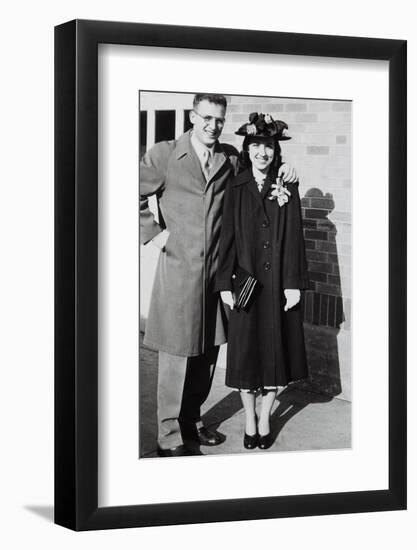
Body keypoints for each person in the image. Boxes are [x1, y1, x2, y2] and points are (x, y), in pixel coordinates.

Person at [140, 96, 298, 457]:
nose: (213, 125)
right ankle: (168, 436)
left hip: (217, 273)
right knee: (177, 353)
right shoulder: (166, 154)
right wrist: (153, 232)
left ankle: (192, 421)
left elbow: (262, 164)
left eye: (219, 119)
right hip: (180, 271)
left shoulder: (228, 156)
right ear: (193, 117)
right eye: (207, 117)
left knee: (208, 352)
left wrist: (289, 171)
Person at [215, 112, 309, 450]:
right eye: (256, 146)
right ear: (247, 149)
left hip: (278, 288)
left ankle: (266, 417)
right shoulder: (236, 187)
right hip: (246, 286)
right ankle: (249, 417)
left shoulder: (287, 185)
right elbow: (226, 238)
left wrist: (294, 283)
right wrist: (225, 283)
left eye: (267, 146)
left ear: (275, 150)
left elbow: (295, 238)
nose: (262, 153)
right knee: (245, 356)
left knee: (274, 354)